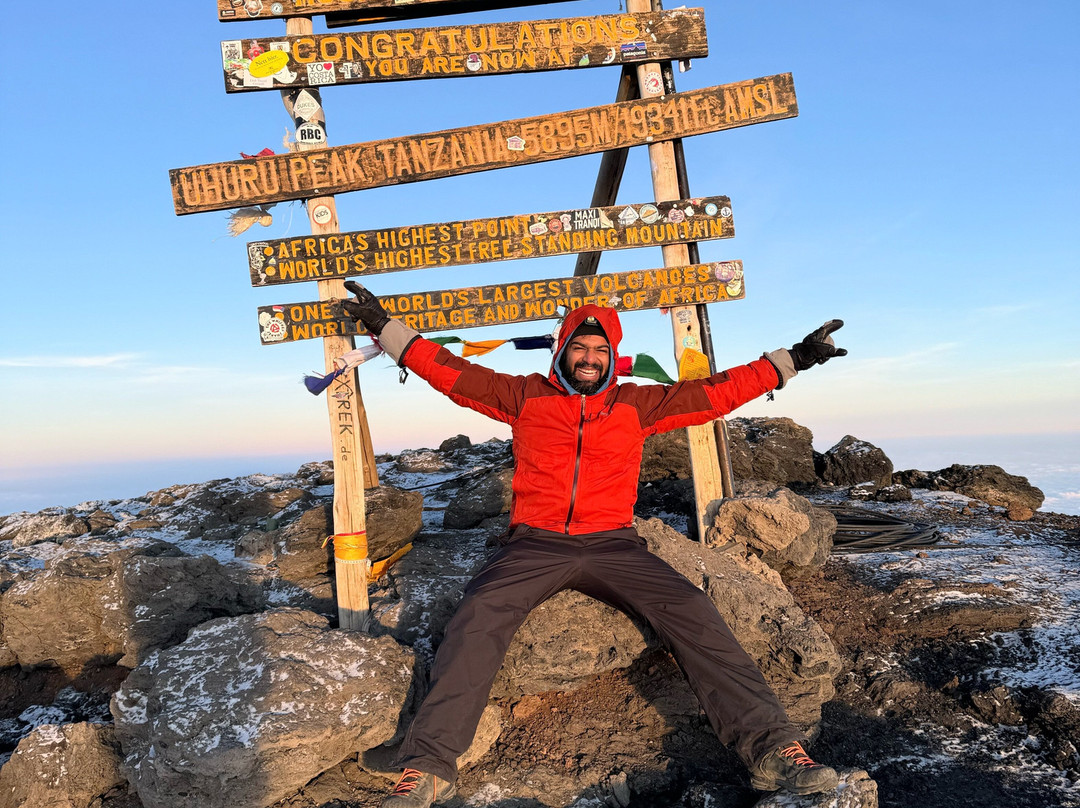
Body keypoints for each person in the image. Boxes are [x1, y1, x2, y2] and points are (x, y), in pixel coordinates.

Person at [342, 280, 847, 805]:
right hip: (534, 543)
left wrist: (794, 360)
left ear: (613, 356)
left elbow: (714, 393)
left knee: (693, 608)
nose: (589, 358)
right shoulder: (524, 396)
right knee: (479, 615)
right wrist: (386, 328)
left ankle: (772, 750)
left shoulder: (637, 405)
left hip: (614, 544)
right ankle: (426, 768)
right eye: (579, 348)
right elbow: (452, 372)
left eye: (600, 350)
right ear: (562, 351)